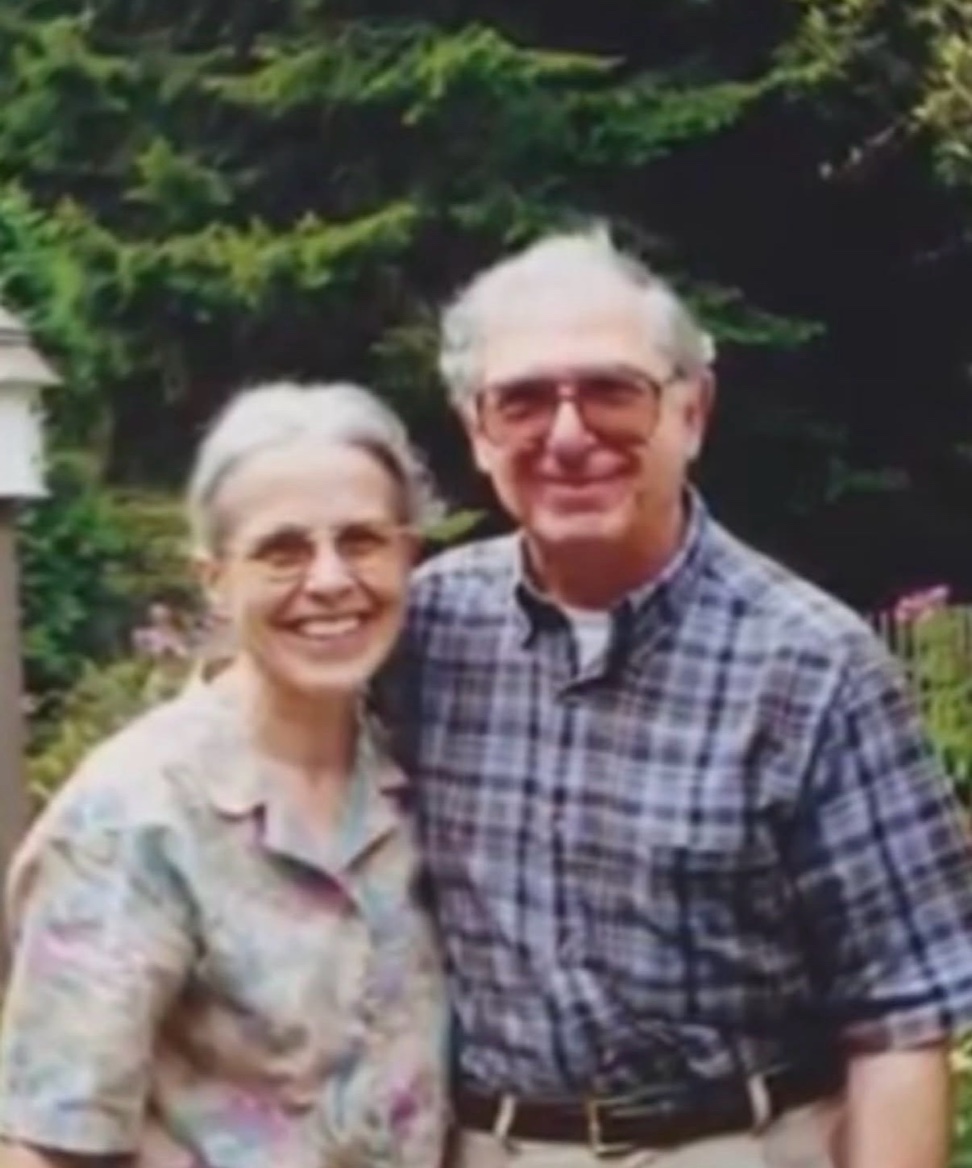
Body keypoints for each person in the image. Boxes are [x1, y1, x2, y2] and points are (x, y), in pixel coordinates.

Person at [386, 228, 972, 1168]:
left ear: (692, 413)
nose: (569, 435)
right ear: (477, 434)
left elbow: (902, 1015)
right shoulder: (422, 632)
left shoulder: (814, 667)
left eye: (613, 391)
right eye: (524, 401)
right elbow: (250, 743)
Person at [0, 382, 448, 1168]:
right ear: (214, 579)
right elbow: (48, 1147)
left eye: (363, 540)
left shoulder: (419, 777)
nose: (331, 579)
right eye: (283, 551)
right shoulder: (135, 819)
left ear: (409, 554)